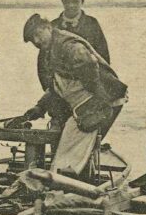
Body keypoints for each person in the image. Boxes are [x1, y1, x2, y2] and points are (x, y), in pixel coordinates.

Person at [20, 14, 127, 176]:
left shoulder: (68, 46)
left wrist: (99, 102)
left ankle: (78, 183)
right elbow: (58, 86)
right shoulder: (51, 48)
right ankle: (74, 179)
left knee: (78, 148)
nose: (37, 41)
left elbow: (89, 66)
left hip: (106, 99)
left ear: (48, 27)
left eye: (38, 34)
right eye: (33, 39)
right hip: (84, 103)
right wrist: (40, 107)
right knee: (71, 148)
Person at [35, 0, 110, 119]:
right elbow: (42, 65)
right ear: (62, 2)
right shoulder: (52, 27)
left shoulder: (92, 25)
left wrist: (94, 92)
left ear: (82, 2)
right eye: (67, 2)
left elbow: (103, 58)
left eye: (75, 2)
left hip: (87, 96)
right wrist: (52, 92)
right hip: (59, 96)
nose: (71, 5)